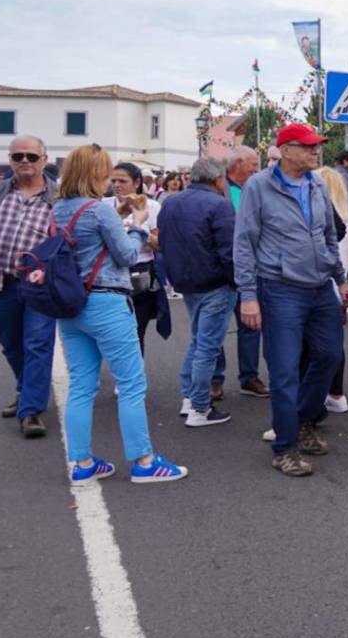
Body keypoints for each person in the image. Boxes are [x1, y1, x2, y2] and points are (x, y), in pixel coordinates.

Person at [53, 145, 189, 485]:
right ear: (95, 173)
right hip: (107, 302)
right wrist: (138, 224)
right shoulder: (99, 211)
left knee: (82, 385)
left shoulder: (56, 209)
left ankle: (82, 462)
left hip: (70, 305)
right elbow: (128, 254)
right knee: (131, 383)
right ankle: (143, 460)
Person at [235, 123, 348, 478]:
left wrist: (340, 279)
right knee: (285, 370)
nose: (316, 152)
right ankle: (285, 447)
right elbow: (244, 243)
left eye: (317, 147)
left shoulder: (317, 183)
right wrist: (248, 297)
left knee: (329, 356)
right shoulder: (259, 186)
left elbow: (329, 234)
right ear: (285, 151)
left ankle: (302, 421)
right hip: (280, 288)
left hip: (319, 287)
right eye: (308, 147)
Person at [0, 135, 56, 437]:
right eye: (17, 157)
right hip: (1, 281)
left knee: (38, 343)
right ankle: (25, 390)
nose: (24, 161)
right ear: (10, 161)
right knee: (10, 343)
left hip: (41, 285)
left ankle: (31, 412)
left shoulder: (59, 196)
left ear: (44, 159)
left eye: (30, 156)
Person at [158, 157, 235, 427]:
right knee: (207, 346)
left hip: (185, 281)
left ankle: (190, 397)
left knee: (197, 341)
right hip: (214, 282)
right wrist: (238, 282)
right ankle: (200, 407)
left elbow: (164, 242)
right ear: (218, 180)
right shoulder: (220, 205)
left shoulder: (170, 203)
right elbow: (229, 251)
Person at [215, 146, 269, 399]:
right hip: (222, 270)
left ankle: (249, 377)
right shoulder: (217, 189)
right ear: (237, 164)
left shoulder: (255, 188)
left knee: (251, 325)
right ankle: (215, 378)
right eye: (252, 164)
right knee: (216, 327)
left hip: (251, 268)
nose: (256, 169)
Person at [105, 163, 168, 358]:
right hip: (110, 273)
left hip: (140, 273)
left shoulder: (152, 206)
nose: (116, 185)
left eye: (122, 181)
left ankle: (132, 380)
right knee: (112, 331)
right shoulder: (104, 205)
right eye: (113, 180)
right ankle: (122, 373)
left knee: (135, 329)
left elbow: (161, 245)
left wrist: (140, 230)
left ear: (137, 183)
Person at [314, 167, 348, 414]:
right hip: (340, 283)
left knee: (314, 346)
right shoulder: (347, 217)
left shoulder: (321, 216)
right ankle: (336, 393)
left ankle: (318, 396)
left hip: (323, 282)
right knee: (334, 342)